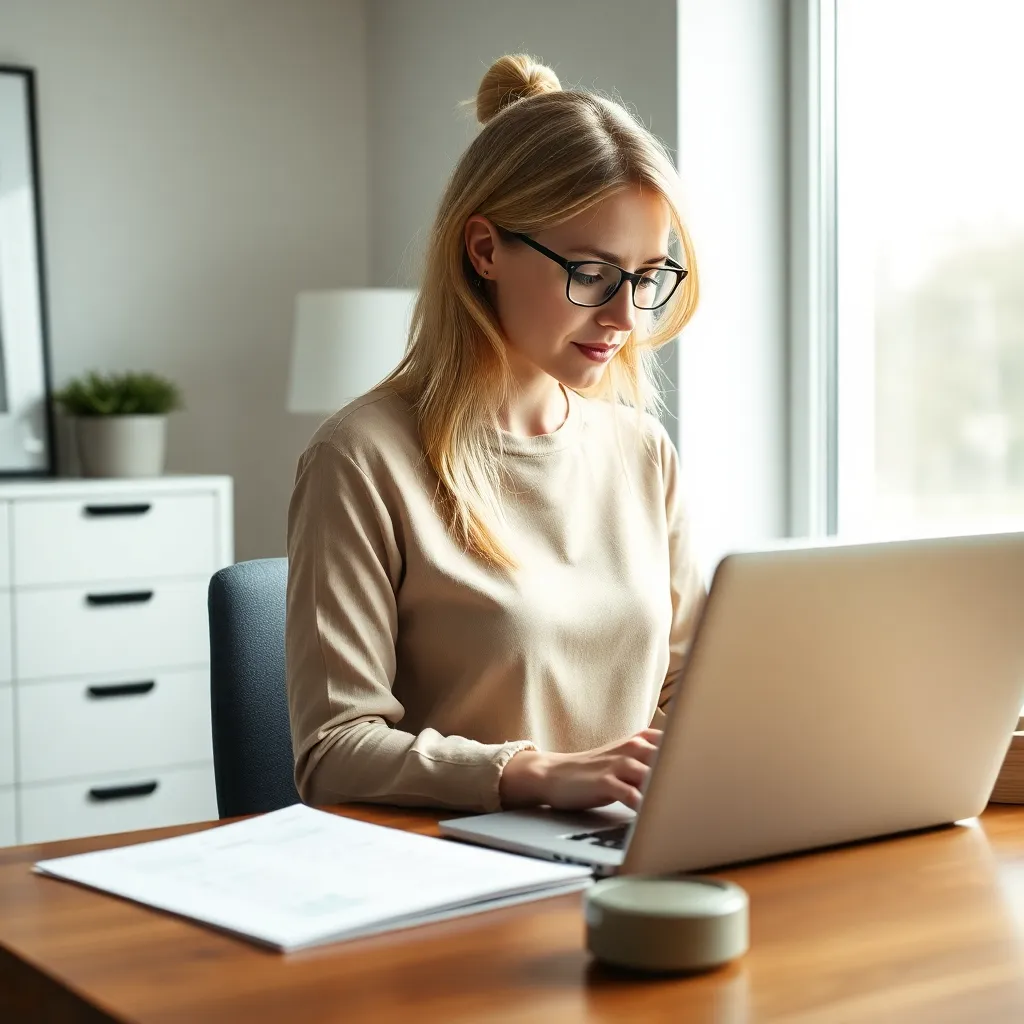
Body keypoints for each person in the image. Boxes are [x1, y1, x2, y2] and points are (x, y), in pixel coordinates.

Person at [286, 54, 705, 816]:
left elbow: (693, 693)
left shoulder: (644, 454)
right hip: (456, 859)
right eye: (591, 273)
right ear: (483, 250)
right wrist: (531, 773)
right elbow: (332, 751)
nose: (625, 317)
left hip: (618, 846)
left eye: (647, 277)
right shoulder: (361, 459)